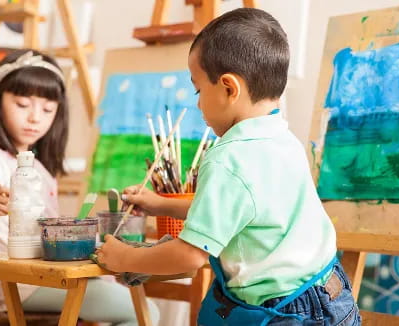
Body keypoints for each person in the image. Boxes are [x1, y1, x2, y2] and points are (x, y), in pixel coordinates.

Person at [97, 8, 361, 325]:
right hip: (331, 299)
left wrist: (126, 257)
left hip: (286, 313)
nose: (197, 103)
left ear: (228, 88)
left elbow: (190, 255)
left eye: (198, 89)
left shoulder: (229, 156)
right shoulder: (281, 138)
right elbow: (238, 209)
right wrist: (160, 205)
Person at [0, 49, 159, 326]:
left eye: (48, 109)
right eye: (23, 104)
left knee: (135, 304)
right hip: (20, 284)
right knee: (144, 312)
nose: (35, 118)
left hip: (41, 276)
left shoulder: (40, 168)